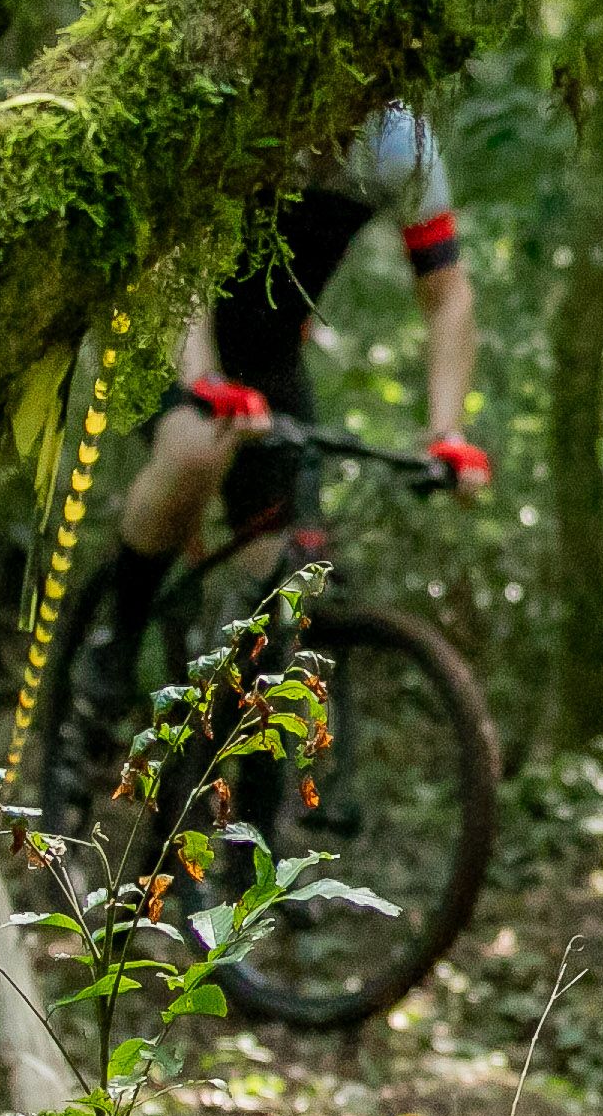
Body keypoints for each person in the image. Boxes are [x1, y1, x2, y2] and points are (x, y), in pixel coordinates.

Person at [58, 104, 491, 789]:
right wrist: (203, 377)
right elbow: (180, 251)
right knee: (197, 448)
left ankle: (246, 823)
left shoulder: (398, 142)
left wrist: (447, 433)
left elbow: (447, 293)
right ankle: (113, 655)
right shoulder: (247, 100)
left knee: (281, 585)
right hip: (168, 323)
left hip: (269, 359)